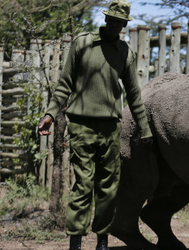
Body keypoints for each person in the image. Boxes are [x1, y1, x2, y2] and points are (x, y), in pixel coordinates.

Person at [37, 0, 152, 249]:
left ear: (124, 25)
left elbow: (134, 95)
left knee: (108, 187)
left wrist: (144, 129)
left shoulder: (125, 53)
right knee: (83, 184)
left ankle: (102, 241)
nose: (114, 25)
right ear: (106, 19)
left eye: (119, 23)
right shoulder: (83, 43)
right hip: (81, 125)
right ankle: (75, 242)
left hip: (110, 128)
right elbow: (65, 84)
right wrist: (50, 113)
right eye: (111, 20)